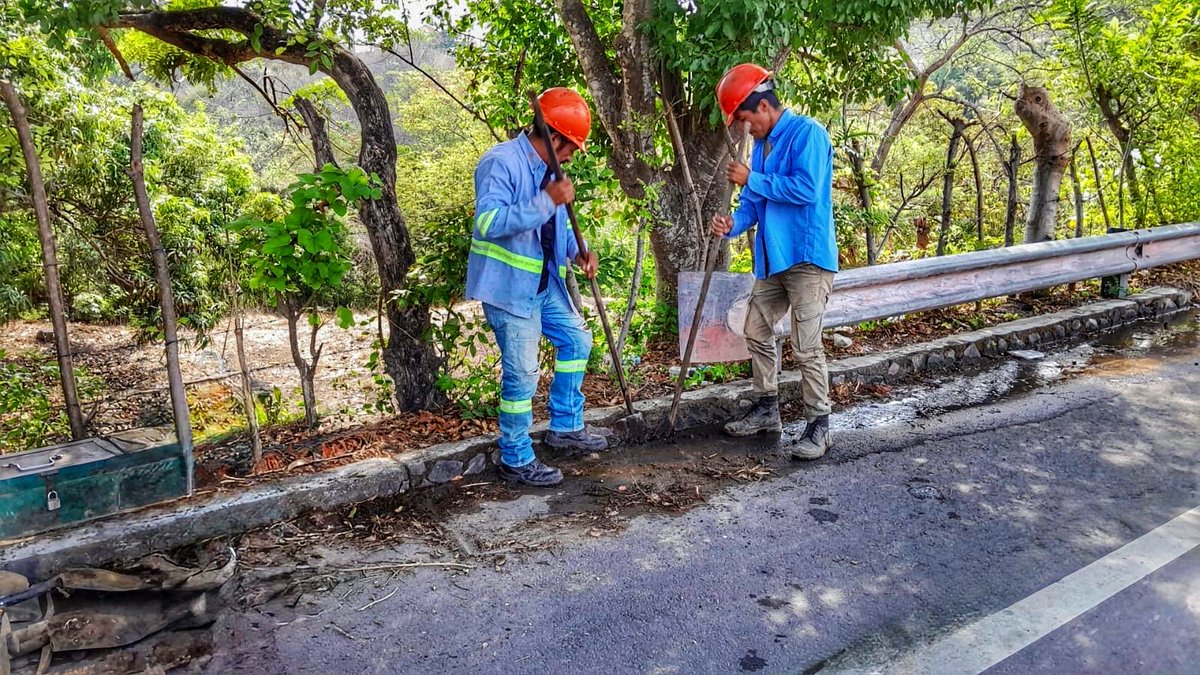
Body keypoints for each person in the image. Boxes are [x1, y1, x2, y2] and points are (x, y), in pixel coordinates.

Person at [466, 87, 609, 487]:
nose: (572, 156)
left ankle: (565, 427)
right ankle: (515, 456)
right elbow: (488, 223)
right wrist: (547, 200)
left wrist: (578, 252)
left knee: (578, 342)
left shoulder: (552, 172)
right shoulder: (501, 163)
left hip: (545, 287)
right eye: (572, 148)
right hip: (510, 291)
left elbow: (555, 230)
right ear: (555, 137)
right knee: (523, 376)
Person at [709, 63, 839, 460]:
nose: (746, 128)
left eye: (746, 119)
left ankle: (819, 425)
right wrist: (732, 224)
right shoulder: (761, 151)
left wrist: (753, 179)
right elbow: (752, 205)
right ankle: (767, 408)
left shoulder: (808, 134)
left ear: (764, 107)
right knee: (755, 328)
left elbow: (805, 189)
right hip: (773, 261)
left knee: (806, 346)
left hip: (807, 259)